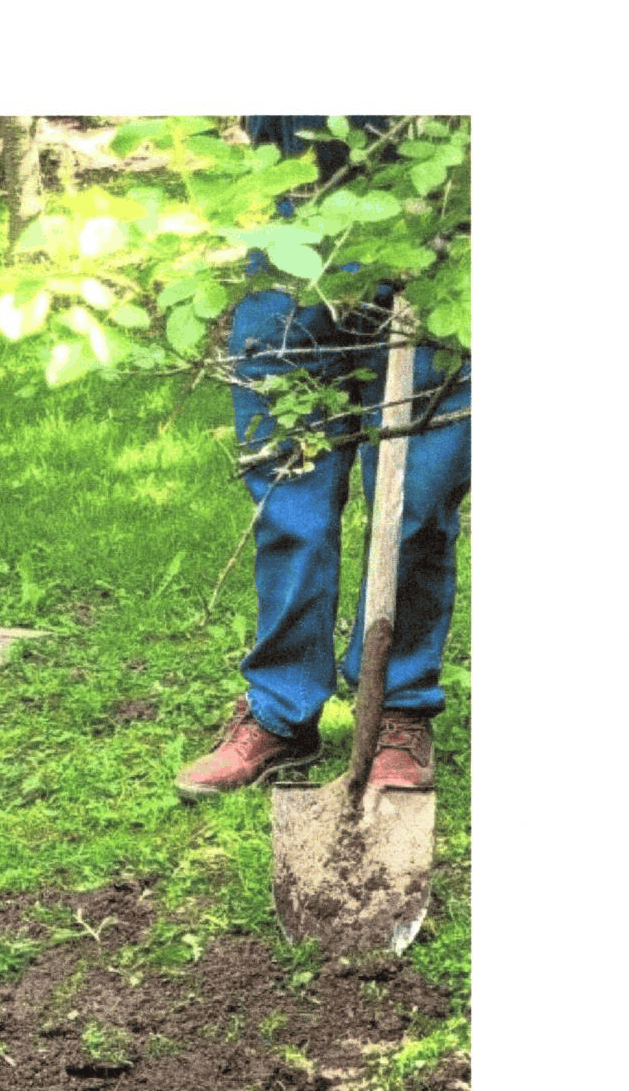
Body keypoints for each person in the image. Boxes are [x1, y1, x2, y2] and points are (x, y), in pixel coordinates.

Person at [175, 115, 471, 802]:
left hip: (434, 221)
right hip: (299, 220)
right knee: (288, 490)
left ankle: (397, 707)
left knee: (418, 500)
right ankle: (280, 712)